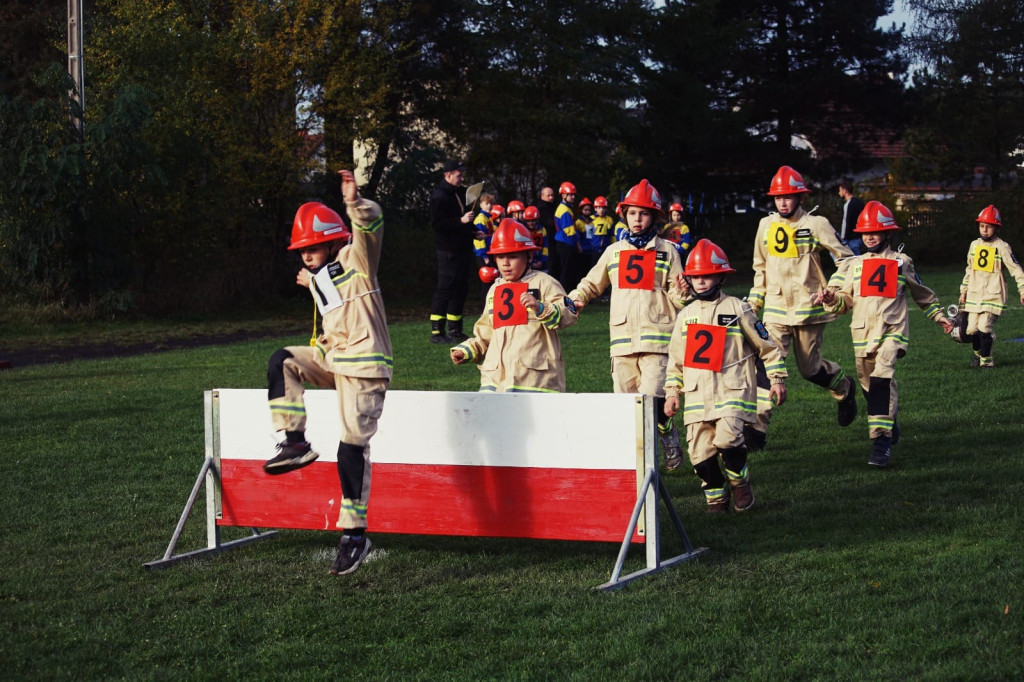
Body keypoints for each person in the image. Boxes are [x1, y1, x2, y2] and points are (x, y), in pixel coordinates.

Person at [263, 170, 391, 576]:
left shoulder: (358, 256)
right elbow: (335, 309)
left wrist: (353, 203)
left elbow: (370, 225)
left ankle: (355, 534)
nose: (306, 253)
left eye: (314, 245)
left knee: (350, 448)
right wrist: (314, 283)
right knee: (282, 359)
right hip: (336, 359)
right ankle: (295, 442)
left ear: (335, 239)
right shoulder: (323, 275)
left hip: (366, 366)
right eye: (302, 248)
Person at [812, 201, 953, 467]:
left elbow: (923, 295)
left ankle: (881, 444)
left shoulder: (902, 263)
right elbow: (844, 304)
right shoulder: (853, 265)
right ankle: (890, 423)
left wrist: (940, 317)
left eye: (876, 231)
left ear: (888, 233)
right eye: (866, 232)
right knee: (871, 389)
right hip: (863, 338)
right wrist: (830, 298)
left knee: (881, 381)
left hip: (892, 333)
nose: (870, 236)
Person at [567, 179, 688, 470]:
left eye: (644, 213)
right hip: (621, 342)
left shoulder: (669, 252)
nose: (638, 219)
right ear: (624, 214)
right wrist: (576, 298)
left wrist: (683, 293)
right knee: (626, 408)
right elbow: (592, 282)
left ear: (655, 217)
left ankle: (665, 433)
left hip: (658, 339)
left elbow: (677, 296)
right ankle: (636, 465)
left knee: (652, 399)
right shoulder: (613, 252)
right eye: (633, 213)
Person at [664, 239, 787, 512]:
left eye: (707, 275)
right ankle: (716, 498)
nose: (701, 282)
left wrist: (777, 378)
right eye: (695, 277)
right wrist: (672, 392)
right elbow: (675, 360)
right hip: (697, 396)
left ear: (721, 275)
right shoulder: (685, 316)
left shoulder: (739, 309)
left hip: (733, 392)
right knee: (700, 454)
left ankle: (740, 485)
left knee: (728, 440)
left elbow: (767, 347)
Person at [746, 165, 857, 451]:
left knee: (810, 370)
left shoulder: (816, 224)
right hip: (775, 309)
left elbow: (846, 259)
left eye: (789, 196)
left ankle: (844, 388)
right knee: (767, 362)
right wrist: (755, 301)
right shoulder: (765, 226)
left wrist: (832, 288)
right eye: (778, 197)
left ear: (800, 197)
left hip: (809, 310)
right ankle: (757, 429)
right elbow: (760, 266)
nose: (783, 202)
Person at [451, 219, 578, 391]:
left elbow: (569, 314)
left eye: (512, 256)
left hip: (534, 380)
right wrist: (467, 351)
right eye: (500, 256)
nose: (505, 263)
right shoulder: (495, 289)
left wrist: (541, 308)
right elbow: (487, 332)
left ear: (529, 256)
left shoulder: (544, 282)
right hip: (494, 381)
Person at [957, 204, 1024, 368]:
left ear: (996, 228)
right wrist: (963, 290)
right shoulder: (974, 245)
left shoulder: (1002, 247)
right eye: (982, 226)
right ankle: (978, 355)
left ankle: (986, 362)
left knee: (984, 326)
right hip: (974, 294)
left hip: (993, 294)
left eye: (988, 227)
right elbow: (969, 269)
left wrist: (1022, 289)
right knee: (971, 330)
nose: (984, 230)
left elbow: (1016, 269)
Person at [428, 160, 476, 344]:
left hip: (462, 249)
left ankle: (455, 330)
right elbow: (437, 224)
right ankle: (437, 332)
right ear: (448, 175)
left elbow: (462, 223)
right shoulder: (439, 196)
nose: (462, 178)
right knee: (445, 288)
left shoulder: (459, 193)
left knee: (460, 289)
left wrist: (473, 232)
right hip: (448, 251)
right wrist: (460, 221)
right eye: (459, 175)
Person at [552, 181, 582, 292]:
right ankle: (564, 293)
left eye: (574, 194)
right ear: (564, 195)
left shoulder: (565, 208)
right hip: (565, 243)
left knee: (567, 269)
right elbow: (570, 231)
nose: (573, 197)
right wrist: (578, 244)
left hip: (563, 242)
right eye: (571, 194)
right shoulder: (564, 210)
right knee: (566, 270)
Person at [837, 179, 865, 255]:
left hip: (851, 239)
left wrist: (843, 237)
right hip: (860, 237)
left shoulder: (848, 204)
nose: (839, 193)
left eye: (840, 190)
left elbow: (846, 221)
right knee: (858, 262)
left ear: (844, 191)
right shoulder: (860, 202)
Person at [537, 186, 558, 279]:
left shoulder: (554, 207)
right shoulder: (541, 209)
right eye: (548, 195)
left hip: (554, 240)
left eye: (552, 195)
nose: (551, 197)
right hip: (546, 240)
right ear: (542, 196)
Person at [523, 205, 548, 271]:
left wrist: (542, 261)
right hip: (528, 264)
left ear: (537, 220)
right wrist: (530, 263)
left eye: (533, 220)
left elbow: (545, 247)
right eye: (528, 221)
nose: (531, 223)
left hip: (542, 263)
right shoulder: (523, 231)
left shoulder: (542, 230)